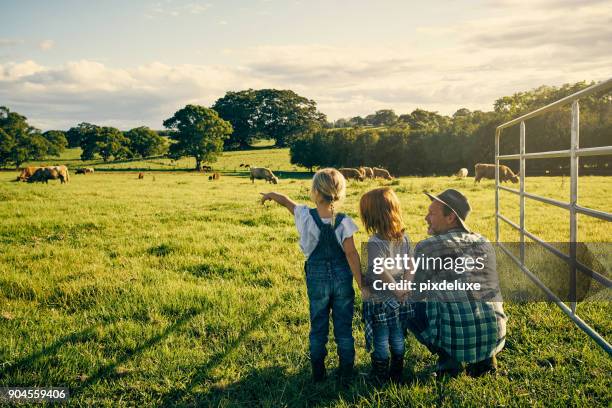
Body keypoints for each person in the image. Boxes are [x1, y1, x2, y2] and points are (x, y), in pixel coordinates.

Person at [260, 168, 363, 383]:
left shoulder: (305, 216)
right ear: (340, 193)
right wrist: (362, 283)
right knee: (344, 327)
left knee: (318, 325)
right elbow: (351, 253)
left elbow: (287, 202)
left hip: (316, 278)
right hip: (343, 278)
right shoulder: (344, 222)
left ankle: (318, 372)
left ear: (315, 191)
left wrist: (271, 195)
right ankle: (346, 371)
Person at [403, 189, 506, 377]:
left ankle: (448, 360)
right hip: (495, 335)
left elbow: (414, 294)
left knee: (405, 304)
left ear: (450, 217)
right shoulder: (483, 242)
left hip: (456, 341)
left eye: (432, 213)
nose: (426, 218)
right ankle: (485, 360)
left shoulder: (427, 247)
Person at [359, 187, 413, 383]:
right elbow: (410, 266)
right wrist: (404, 286)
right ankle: (397, 370)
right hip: (401, 296)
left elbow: (380, 269)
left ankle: (380, 374)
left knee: (381, 336)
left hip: (381, 297)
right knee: (397, 333)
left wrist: (396, 288)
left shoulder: (374, 242)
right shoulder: (405, 237)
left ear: (372, 216)